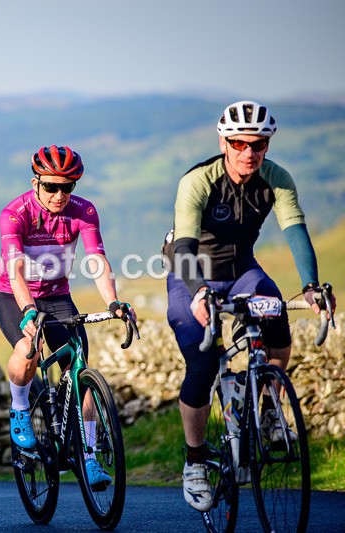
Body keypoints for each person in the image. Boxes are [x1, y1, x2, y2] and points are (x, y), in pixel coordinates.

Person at [164, 100, 337, 512]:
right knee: (204, 361)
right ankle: (194, 459)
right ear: (224, 141)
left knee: (275, 316)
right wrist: (200, 291)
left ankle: (269, 406)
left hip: (243, 269)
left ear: (267, 144)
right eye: (239, 143)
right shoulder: (198, 180)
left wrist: (311, 285)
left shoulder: (276, 179)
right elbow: (185, 246)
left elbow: (295, 231)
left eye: (258, 144)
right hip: (191, 272)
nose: (248, 152)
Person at [0, 145, 136, 492]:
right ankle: (20, 408)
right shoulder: (14, 214)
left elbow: (97, 260)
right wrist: (28, 311)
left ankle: (89, 456)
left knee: (80, 369)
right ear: (35, 182)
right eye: (51, 186)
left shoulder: (83, 211)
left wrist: (113, 301)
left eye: (67, 187)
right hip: (13, 294)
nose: (59, 195)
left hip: (56, 297)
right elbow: (16, 270)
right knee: (28, 349)